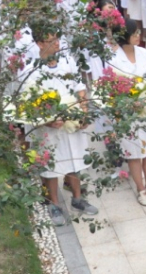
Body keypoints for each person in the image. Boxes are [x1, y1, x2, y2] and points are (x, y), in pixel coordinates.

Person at [22, 29, 98, 227]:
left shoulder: (67, 62)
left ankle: (77, 197)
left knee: (74, 158)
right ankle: (54, 203)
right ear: (39, 43)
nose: (56, 44)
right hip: (49, 127)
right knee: (51, 163)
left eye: (57, 39)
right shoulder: (30, 69)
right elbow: (29, 100)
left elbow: (80, 87)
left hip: (71, 121)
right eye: (51, 40)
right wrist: (47, 120)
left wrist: (83, 111)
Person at [106, 24, 146, 206]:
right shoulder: (113, 58)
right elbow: (112, 88)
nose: (138, 36)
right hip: (129, 111)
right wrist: (128, 101)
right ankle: (140, 189)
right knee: (134, 152)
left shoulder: (143, 53)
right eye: (134, 34)